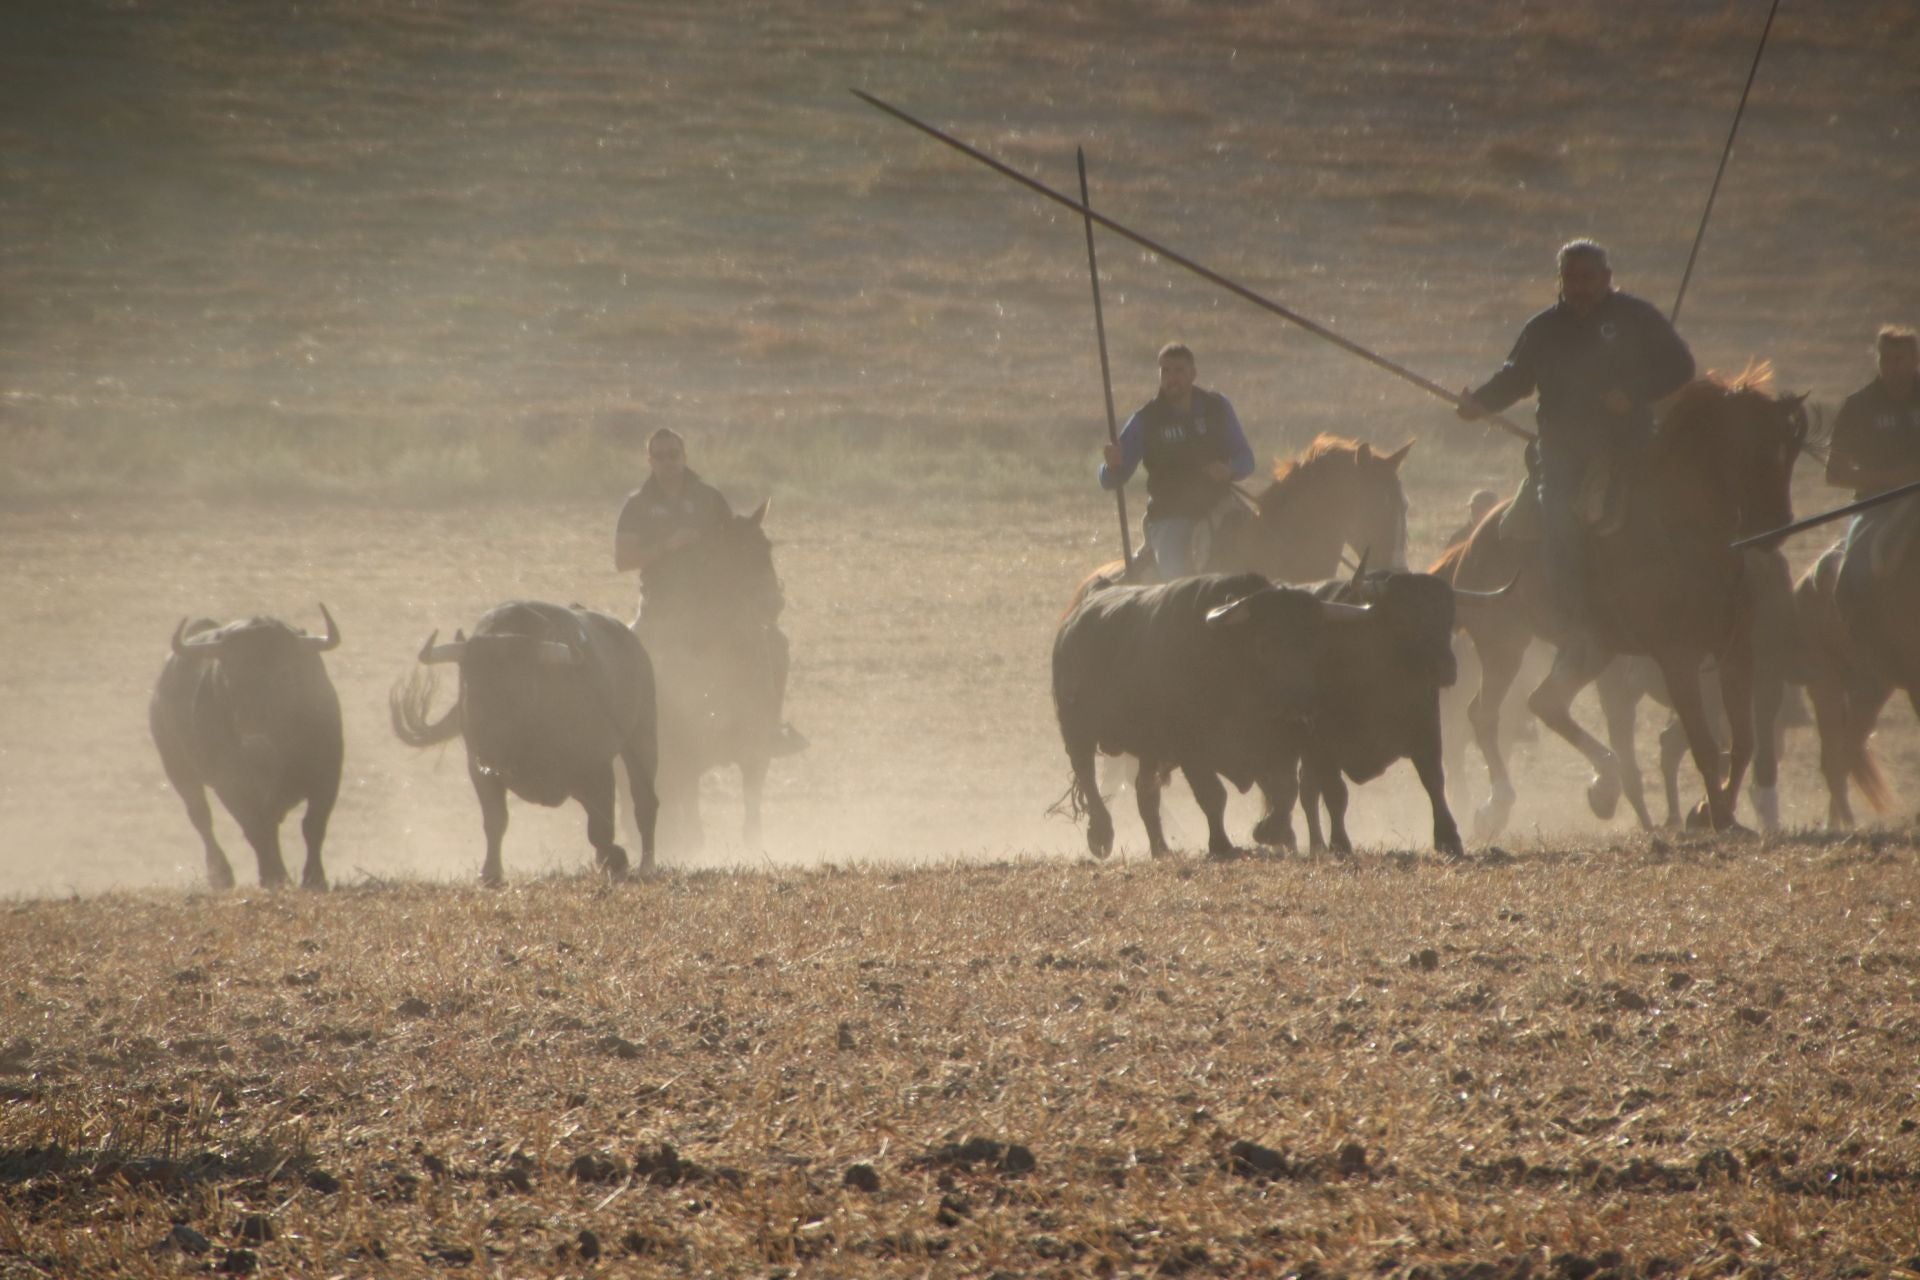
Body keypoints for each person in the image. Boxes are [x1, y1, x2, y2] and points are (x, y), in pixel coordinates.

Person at [1456, 239, 1695, 625]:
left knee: (1671, 509)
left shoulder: (1637, 318)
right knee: (1559, 519)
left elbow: (1680, 365)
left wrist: (1633, 394)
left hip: (1630, 443)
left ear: (1607, 277)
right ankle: (1571, 613)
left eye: (1588, 277)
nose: (1580, 286)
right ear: (1561, 281)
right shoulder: (1543, 329)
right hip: (1562, 451)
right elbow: (1514, 379)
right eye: (1571, 278)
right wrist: (1478, 403)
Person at [614, 428, 805, 756]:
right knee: (627, 662)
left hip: (712, 607)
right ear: (649, 461)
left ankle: (769, 727)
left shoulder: (709, 498)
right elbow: (622, 560)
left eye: (673, 454)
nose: (667, 462)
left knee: (774, 644)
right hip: (661, 608)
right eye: (659, 456)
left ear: (684, 456)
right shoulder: (637, 506)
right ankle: (628, 738)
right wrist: (666, 546)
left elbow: (733, 546)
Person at [1099, 342, 1257, 579]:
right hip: (1171, 517)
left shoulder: (1218, 407)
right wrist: (1111, 466)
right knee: (1178, 584)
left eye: (1179, 370)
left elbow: (1246, 459)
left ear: (1193, 373)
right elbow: (1111, 479)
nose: (1172, 378)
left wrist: (1229, 469)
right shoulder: (1146, 420)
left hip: (1221, 506)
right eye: (1165, 371)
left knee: (1262, 551)